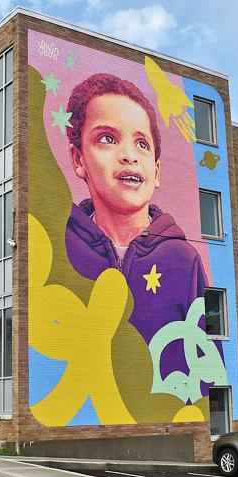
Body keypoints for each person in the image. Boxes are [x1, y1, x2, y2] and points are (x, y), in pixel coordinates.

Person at [63, 73, 207, 349]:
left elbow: (207, 354)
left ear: (156, 171)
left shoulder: (182, 258)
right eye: (107, 138)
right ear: (78, 159)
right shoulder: (62, 247)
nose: (129, 155)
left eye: (142, 144)